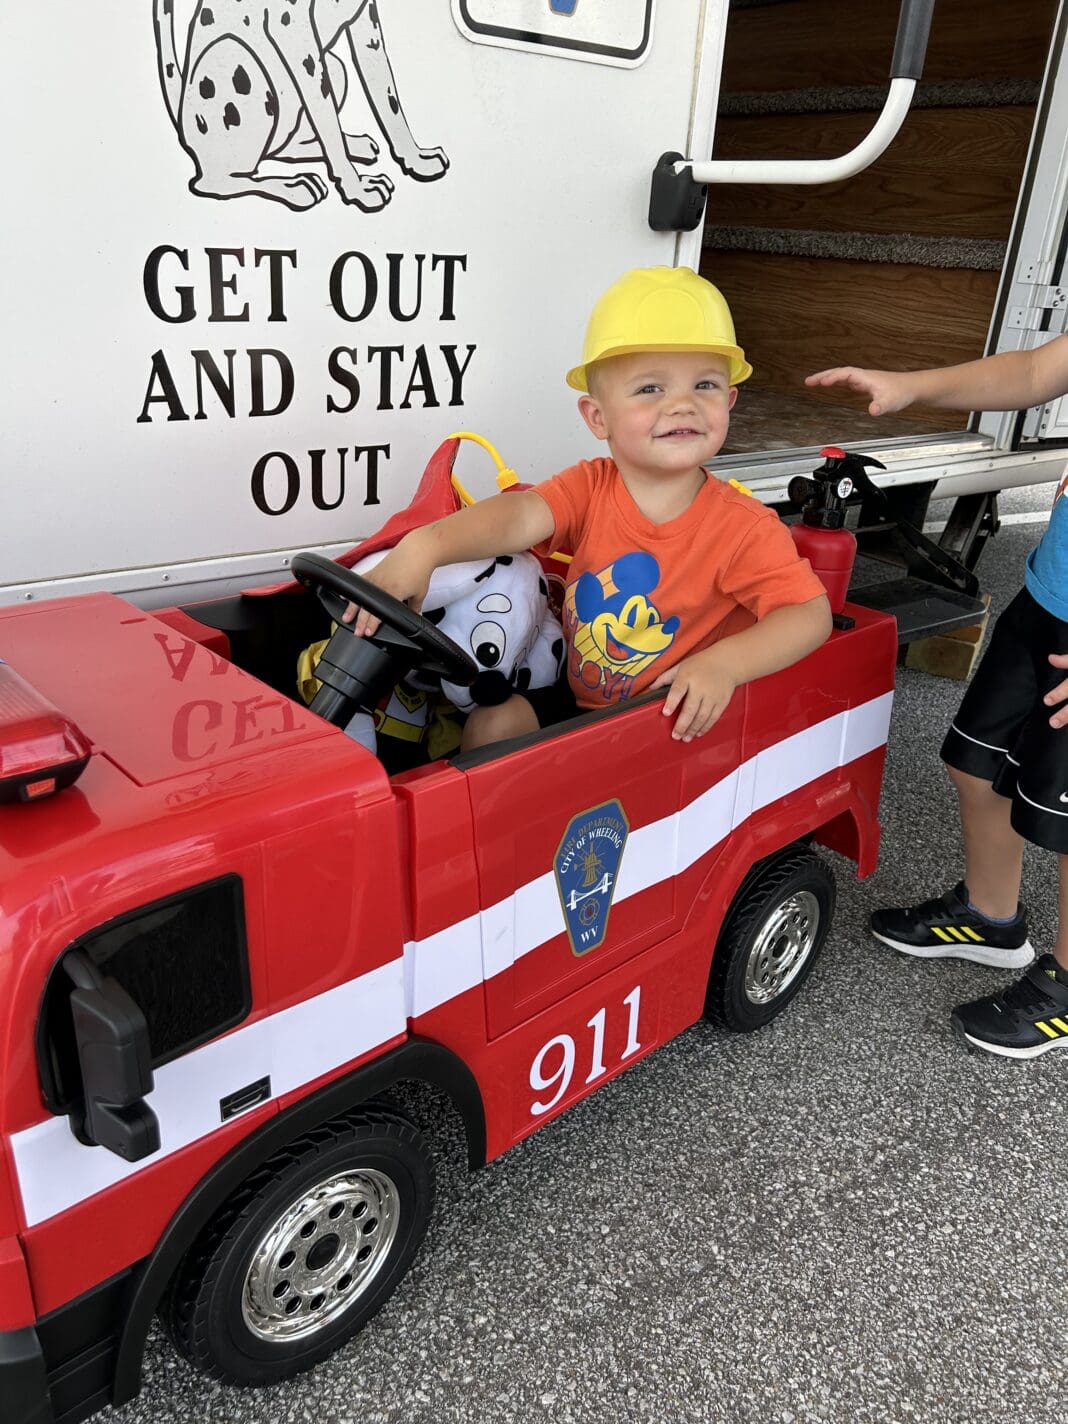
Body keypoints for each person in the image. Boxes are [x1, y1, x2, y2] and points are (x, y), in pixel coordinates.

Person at [346, 265, 831, 753]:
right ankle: (499, 828)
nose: (682, 404)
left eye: (704, 385)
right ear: (598, 417)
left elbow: (809, 615)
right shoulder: (591, 486)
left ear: (729, 401)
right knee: (494, 724)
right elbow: (518, 517)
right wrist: (424, 547)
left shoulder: (742, 528)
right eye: (650, 389)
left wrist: (725, 664)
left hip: (666, 724)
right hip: (579, 696)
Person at [806, 341, 1068, 1059]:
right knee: (974, 764)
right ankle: (991, 920)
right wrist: (907, 384)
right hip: (1049, 603)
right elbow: (1031, 372)